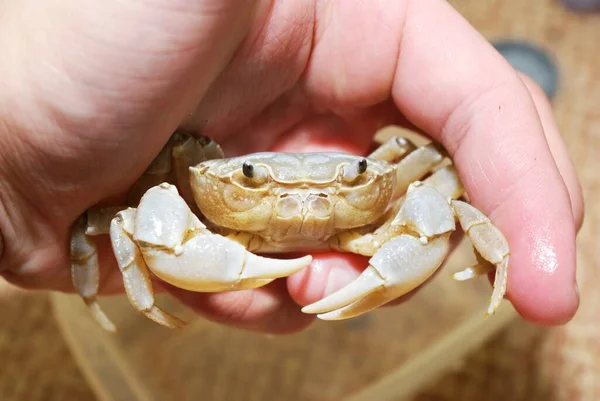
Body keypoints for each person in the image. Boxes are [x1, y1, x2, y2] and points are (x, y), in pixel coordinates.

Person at [0, 0, 583, 334]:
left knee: (448, 186)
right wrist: (16, 158)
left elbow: (444, 182)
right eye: (254, 183)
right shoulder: (186, 183)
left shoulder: (391, 188)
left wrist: (16, 189)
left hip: (363, 225)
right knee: (126, 219)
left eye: (354, 178)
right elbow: (122, 219)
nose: (302, 203)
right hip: (218, 222)